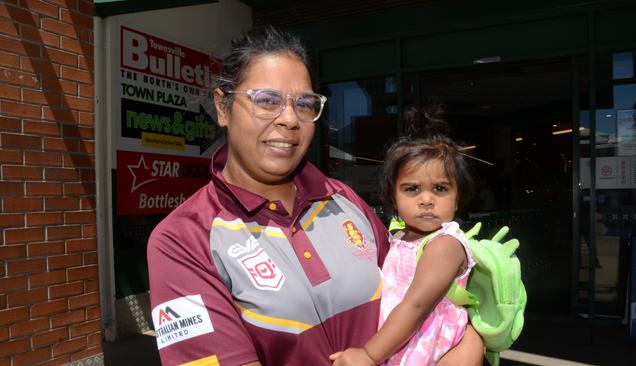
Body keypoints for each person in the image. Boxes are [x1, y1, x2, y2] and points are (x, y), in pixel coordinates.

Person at [147, 25, 483, 366]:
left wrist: (470, 344)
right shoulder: (182, 240)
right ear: (223, 106)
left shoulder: (344, 202)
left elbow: (422, 302)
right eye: (267, 100)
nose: (290, 119)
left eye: (305, 104)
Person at [330, 130, 476, 365]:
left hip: (424, 346)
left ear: (457, 197)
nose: (426, 200)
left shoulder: (445, 243)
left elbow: (417, 305)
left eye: (440, 188)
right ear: (393, 198)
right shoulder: (398, 237)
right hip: (395, 341)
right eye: (412, 189)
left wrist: (367, 354)